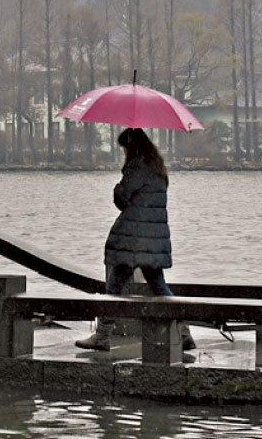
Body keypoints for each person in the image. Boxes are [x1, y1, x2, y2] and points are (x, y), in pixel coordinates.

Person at [76, 127, 196, 355]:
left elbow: (123, 199)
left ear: (131, 147)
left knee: (114, 286)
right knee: (159, 286)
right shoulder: (158, 170)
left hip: (132, 240)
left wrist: (118, 187)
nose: (123, 152)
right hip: (152, 241)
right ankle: (184, 331)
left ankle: (102, 337)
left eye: (124, 147)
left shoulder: (137, 167)